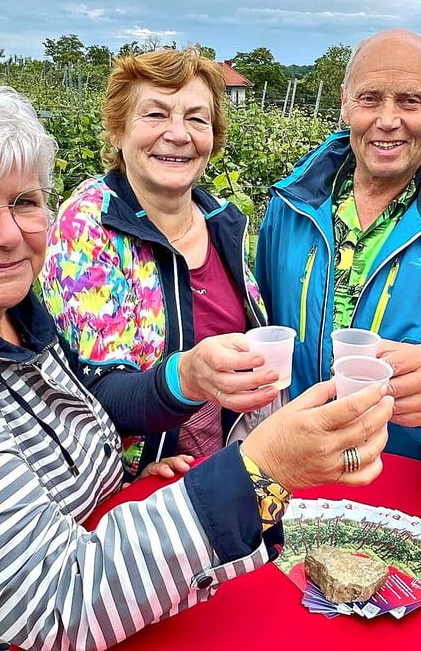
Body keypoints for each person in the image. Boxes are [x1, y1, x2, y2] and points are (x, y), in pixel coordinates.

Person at [0, 77, 394, 651]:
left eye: (24, 201)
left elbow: (57, 458)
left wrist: (128, 484)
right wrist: (262, 469)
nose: (7, 234)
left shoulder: (0, 319)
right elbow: (58, 605)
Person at [255, 28, 421, 467]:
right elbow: (260, 321)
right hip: (289, 461)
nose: (388, 120)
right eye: (369, 99)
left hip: (394, 472)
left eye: (410, 101)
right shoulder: (291, 204)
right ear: (345, 103)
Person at [41, 48, 282, 478]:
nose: (178, 133)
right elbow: (94, 391)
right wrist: (185, 378)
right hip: (144, 481)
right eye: (155, 115)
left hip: (227, 462)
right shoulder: (89, 226)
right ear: (118, 132)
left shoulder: (222, 221)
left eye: (197, 119)